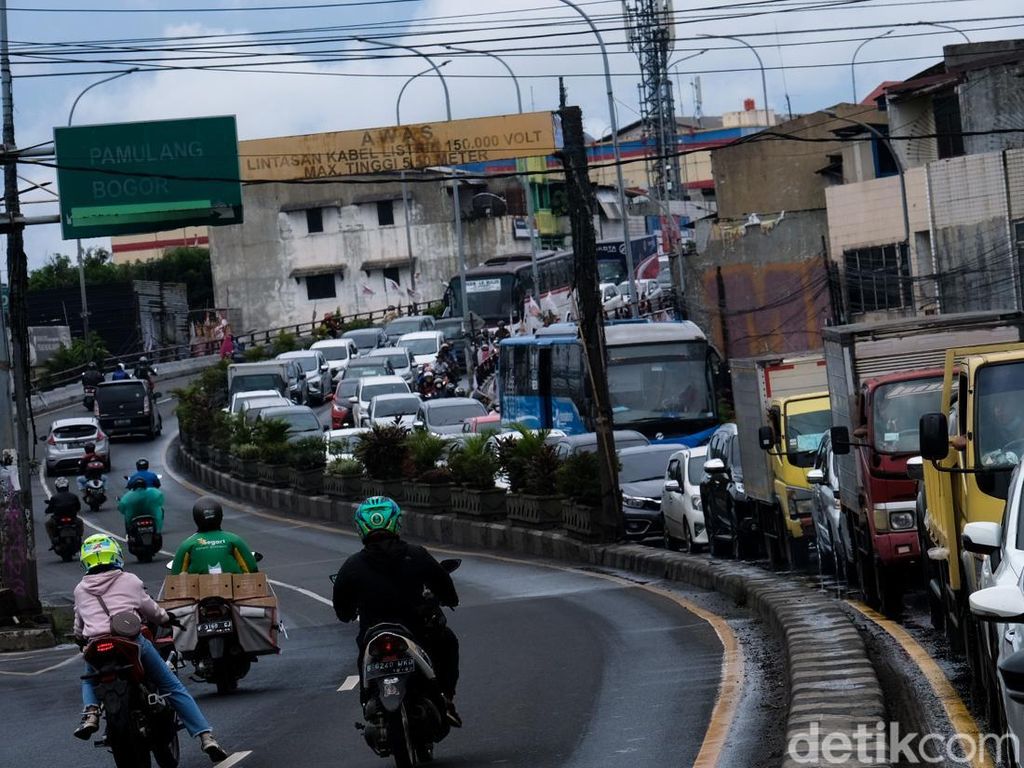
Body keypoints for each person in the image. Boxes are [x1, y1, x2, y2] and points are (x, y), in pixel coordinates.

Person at [72, 534, 228, 761]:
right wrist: (166, 619)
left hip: (96, 645)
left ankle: (91, 713)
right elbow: (152, 611)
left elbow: (78, 627)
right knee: (172, 686)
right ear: (115, 555)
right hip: (130, 642)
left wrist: (81, 639)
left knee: (89, 677)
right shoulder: (129, 580)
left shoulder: (80, 589)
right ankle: (206, 738)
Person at [332, 497, 462, 727]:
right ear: (396, 522)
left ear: (361, 527)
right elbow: (447, 590)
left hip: (373, 632)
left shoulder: (352, 565)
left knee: (364, 654)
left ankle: (367, 702)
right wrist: (444, 599)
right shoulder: (417, 554)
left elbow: (342, 611)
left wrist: (350, 611)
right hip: (417, 630)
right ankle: (446, 698)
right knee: (447, 641)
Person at [171, 497, 259, 575]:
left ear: (196, 518)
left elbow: (176, 576)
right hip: (233, 586)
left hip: (199, 587)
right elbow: (251, 568)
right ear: (220, 516)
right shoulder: (234, 540)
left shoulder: (187, 544)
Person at [45, 477, 84, 542]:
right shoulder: (73, 496)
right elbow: (78, 507)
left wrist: (47, 511)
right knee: (80, 522)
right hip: (71, 517)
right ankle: (79, 537)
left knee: (48, 524)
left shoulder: (54, 497)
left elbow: (50, 508)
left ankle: (53, 539)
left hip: (58, 518)